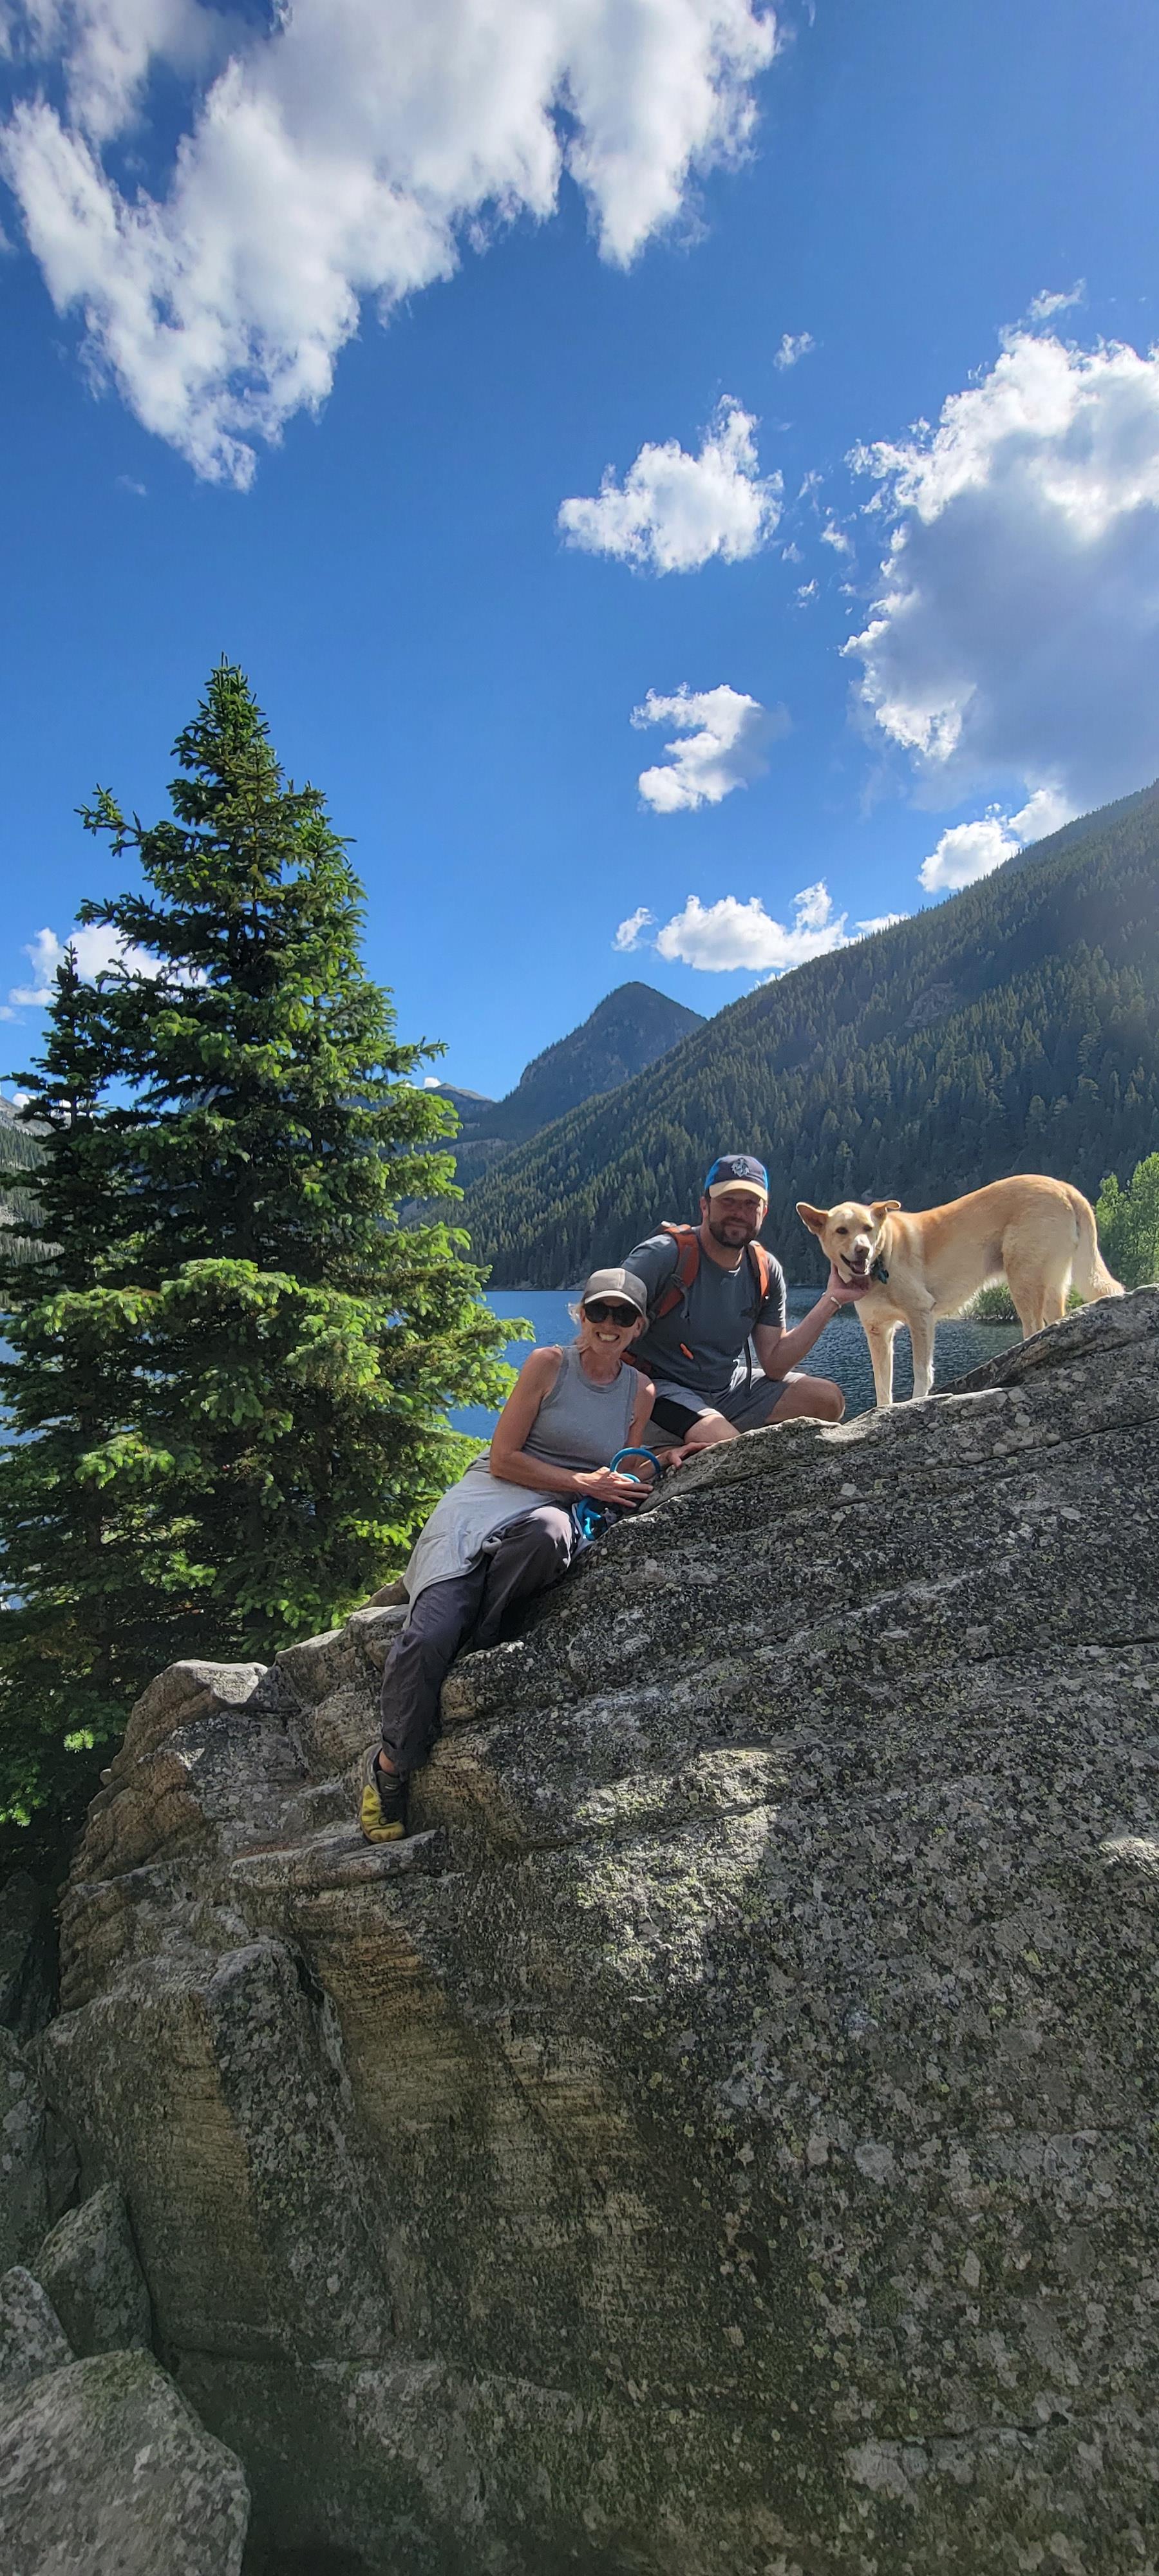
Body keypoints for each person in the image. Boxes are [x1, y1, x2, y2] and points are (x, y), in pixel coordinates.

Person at [361, 1267, 667, 1841]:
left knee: (550, 1534)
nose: (608, 1324)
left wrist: (661, 1462)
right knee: (426, 1637)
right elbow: (503, 1457)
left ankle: (476, 1638)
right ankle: (391, 1766)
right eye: (598, 1311)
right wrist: (582, 1482)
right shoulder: (548, 1364)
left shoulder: (640, 1391)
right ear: (581, 1314)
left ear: (638, 1326)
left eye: (623, 1315)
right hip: (486, 1500)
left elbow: (621, 1468)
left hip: (549, 1512)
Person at [623, 1152, 862, 1452]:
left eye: (751, 1204)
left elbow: (775, 1364)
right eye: (728, 1201)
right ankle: (661, 1448)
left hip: (726, 1389)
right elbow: (597, 1314)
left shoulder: (764, 1269)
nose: (739, 1213)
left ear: (764, 1211)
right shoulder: (664, 1255)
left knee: (828, 1400)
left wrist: (832, 1300)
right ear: (705, 1205)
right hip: (657, 1389)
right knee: (726, 1444)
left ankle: (689, 1441)